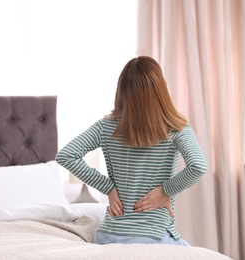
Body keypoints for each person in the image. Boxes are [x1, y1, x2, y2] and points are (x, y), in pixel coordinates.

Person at [55, 55, 207, 246]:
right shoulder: (177, 129)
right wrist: (165, 192)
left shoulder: (106, 126)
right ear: (160, 90)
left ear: (122, 90)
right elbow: (198, 166)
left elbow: (66, 155)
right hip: (154, 237)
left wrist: (108, 188)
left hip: (107, 237)